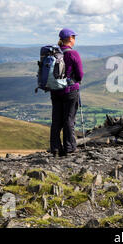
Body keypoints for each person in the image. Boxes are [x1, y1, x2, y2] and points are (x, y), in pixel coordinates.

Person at [50, 28, 84, 157]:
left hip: (55, 90)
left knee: (56, 119)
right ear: (70, 38)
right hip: (70, 91)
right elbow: (80, 73)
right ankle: (69, 148)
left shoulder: (54, 53)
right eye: (74, 37)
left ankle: (55, 148)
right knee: (69, 119)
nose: (75, 39)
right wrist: (77, 81)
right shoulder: (72, 54)